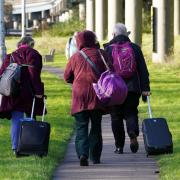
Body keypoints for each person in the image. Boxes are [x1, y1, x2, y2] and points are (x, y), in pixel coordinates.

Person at [64, 30, 112, 166]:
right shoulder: (102, 54)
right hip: (97, 94)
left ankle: (82, 154)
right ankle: (95, 157)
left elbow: (67, 76)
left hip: (80, 96)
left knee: (81, 127)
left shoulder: (75, 57)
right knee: (96, 127)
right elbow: (110, 71)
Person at [104, 23, 150, 154]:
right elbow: (143, 70)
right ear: (127, 34)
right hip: (132, 87)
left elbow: (104, 71)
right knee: (131, 112)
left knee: (116, 117)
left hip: (115, 89)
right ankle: (132, 132)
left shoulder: (108, 49)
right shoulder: (135, 48)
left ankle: (119, 146)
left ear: (113, 34)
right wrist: (145, 88)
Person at [0, 36, 45, 155]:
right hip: (29, 92)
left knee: (16, 119)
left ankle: (16, 147)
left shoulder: (11, 56)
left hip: (13, 92)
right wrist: (39, 92)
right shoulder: (34, 54)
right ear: (30, 44)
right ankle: (29, 145)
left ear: (20, 44)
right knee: (30, 116)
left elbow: (2, 73)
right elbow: (34, 75)